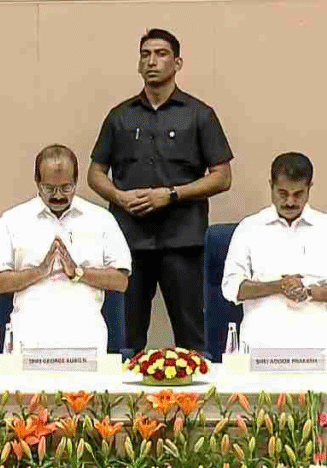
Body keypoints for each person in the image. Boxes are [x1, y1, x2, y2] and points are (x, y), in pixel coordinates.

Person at [88, 28, 233, 354]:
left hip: (183, 240)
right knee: (126, 337)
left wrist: (172, 194)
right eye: (145, 54)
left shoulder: (199, 114)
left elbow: (222, 176)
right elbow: (95, 173)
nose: (152, 61)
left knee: (192, 336)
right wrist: (118, 196)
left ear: (177, 63)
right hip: (128, 241)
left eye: (161, 54)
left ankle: (197, 389)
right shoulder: (120, 116)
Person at [0, 145, 131, 352]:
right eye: (49, 188)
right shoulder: (12, 220)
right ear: (37, 181)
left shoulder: (101, 220)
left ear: (76, 181)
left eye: (66, 187)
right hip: (29, 335)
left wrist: (78, 272)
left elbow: (121, 282)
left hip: (86, 335)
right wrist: (39, 271)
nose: (58, 195)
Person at [222, 152, 327, 348]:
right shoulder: (249, 228)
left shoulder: (324, 228)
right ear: (271, 186)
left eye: (298, 194)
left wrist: (309, 292)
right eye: (282, 193)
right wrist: (279, 286)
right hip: (261, 346)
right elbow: (231, 288)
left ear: (309, 188)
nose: (290, 202)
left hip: (319, 346)